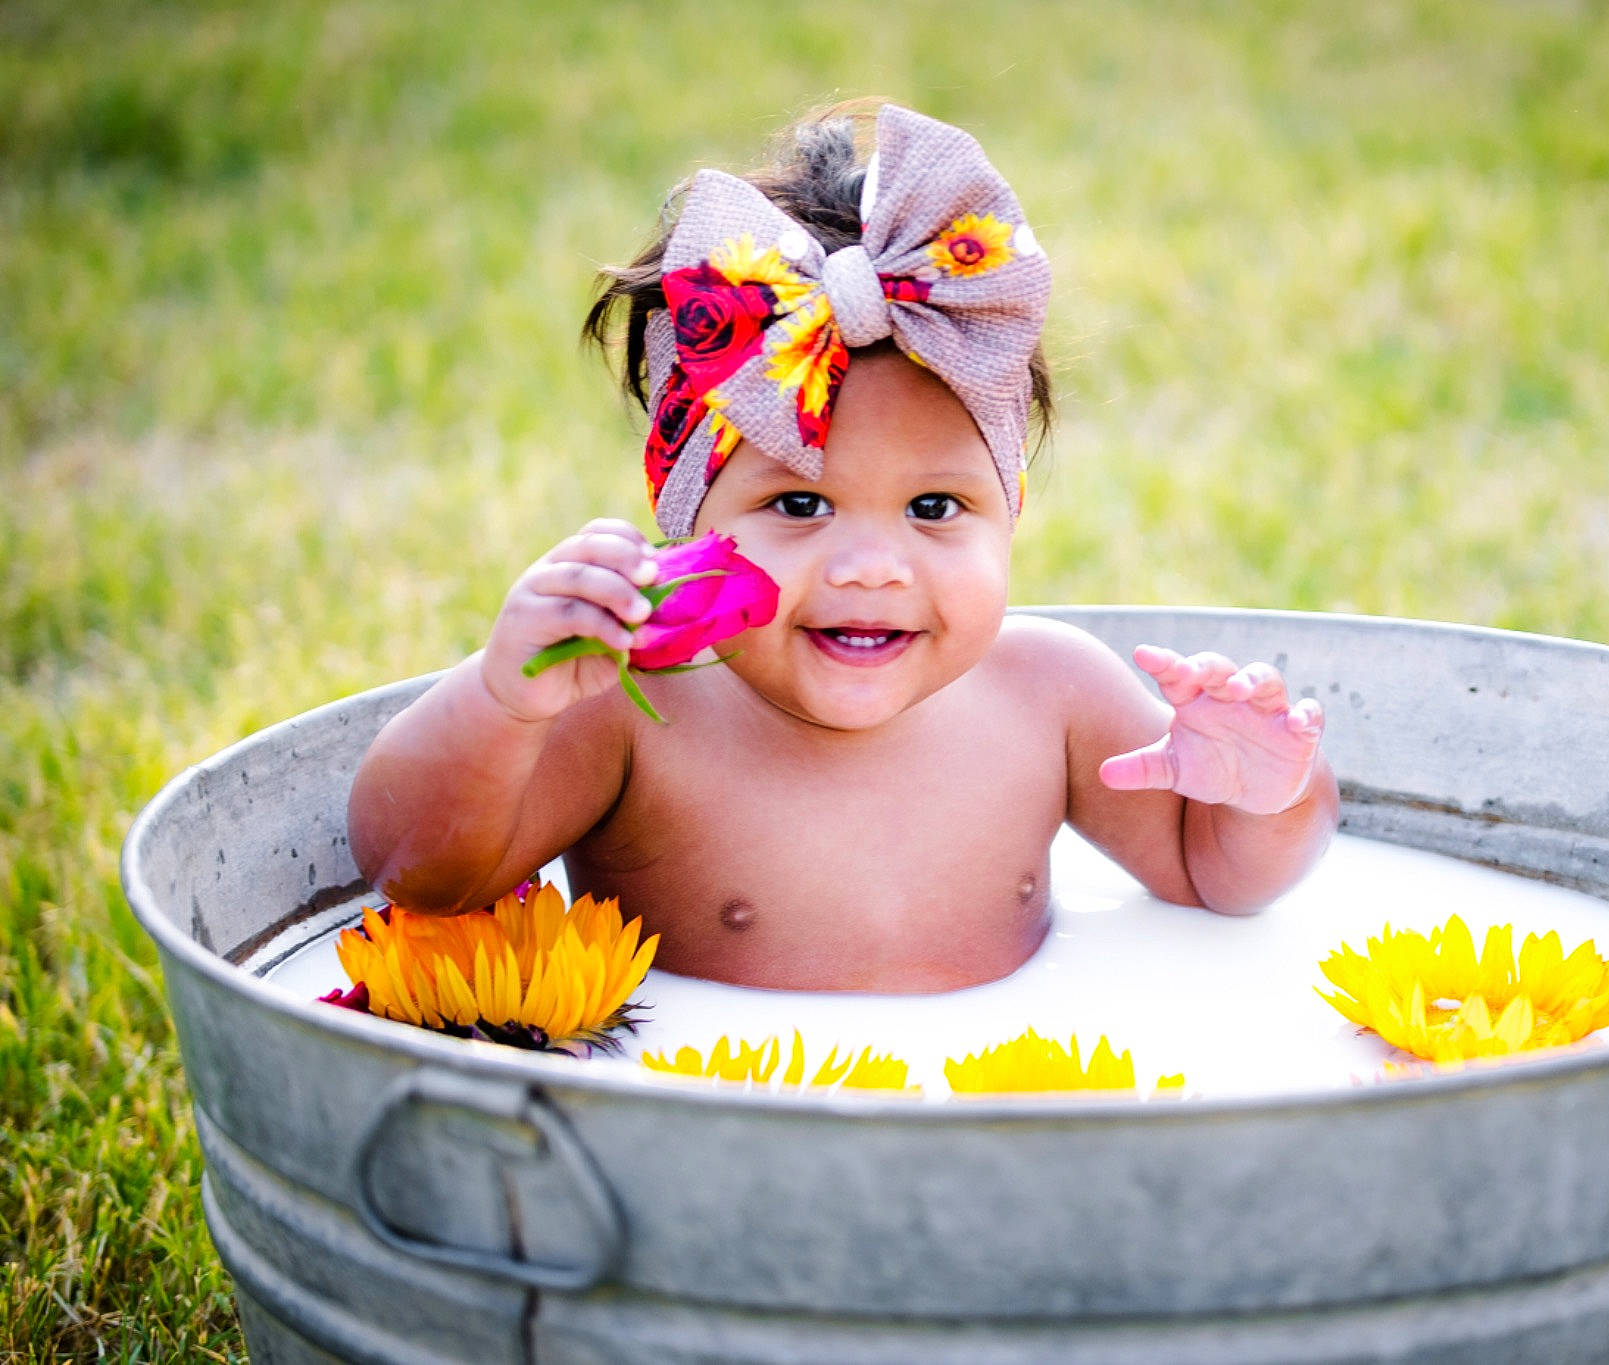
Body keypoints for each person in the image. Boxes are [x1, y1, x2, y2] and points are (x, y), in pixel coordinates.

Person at [348, 102, 1338, 993]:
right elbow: (421, 876)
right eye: (800, 506)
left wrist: (1265, 798)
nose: (872, 566)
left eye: (936, 509)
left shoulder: (1050, 694)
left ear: (1011, 513)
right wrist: (499, 703)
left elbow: (1216, 877)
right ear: (688, 525)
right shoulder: (632, 719)